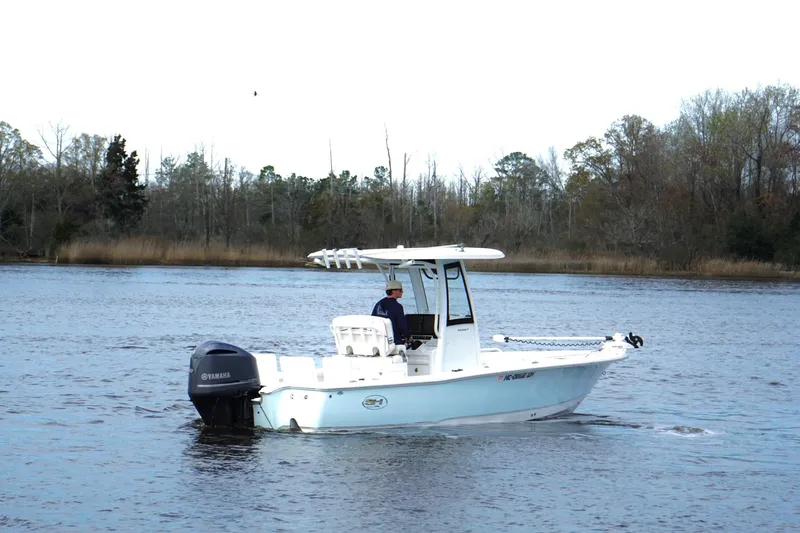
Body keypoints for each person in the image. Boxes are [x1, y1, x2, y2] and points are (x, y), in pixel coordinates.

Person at [371, 280, 410, 347]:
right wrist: (408, 337)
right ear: (393, 291)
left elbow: (372, 320)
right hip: (394, 342)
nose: (402, 292)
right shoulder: (397, 306)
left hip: (380, 341)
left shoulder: (378, 304)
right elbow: (402, 326)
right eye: (400, 290)